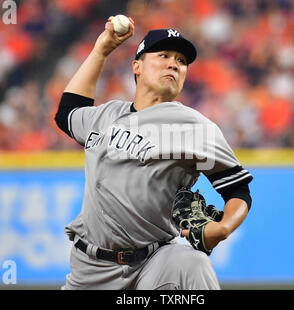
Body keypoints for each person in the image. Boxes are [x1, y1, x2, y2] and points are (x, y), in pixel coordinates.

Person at [54, 16, 253, 290]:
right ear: (137, 66)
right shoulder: (107, 115)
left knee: (191, 262)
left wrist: (223, 227)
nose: (174, 63)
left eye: (182, 61)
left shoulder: (195, 128)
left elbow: (238, 189)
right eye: (164, 55)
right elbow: (67, 113)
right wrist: (102, 50)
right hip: (89, 269)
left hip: (154, 263)